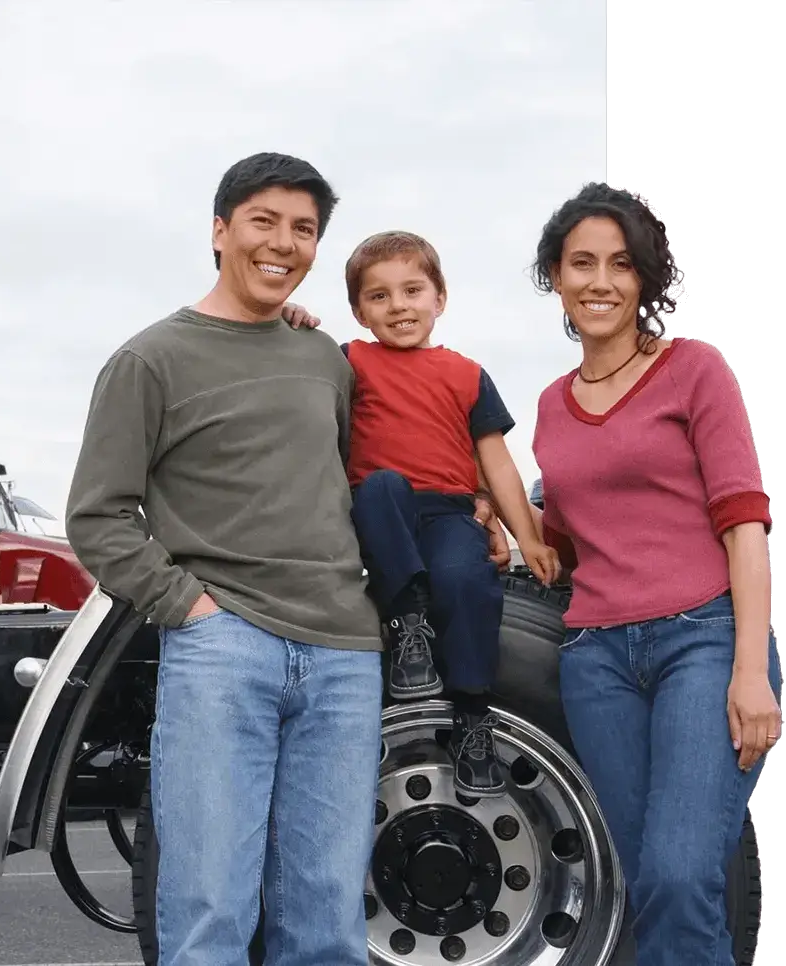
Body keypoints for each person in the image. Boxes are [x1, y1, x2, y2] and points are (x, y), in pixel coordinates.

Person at [66, 152, 381, 966]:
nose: (284, 244)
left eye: (304, 229)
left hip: (345, 655)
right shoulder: (150, 361)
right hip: (223, 649)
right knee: (209, 916)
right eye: (264, 222)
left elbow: (343, 480)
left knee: (328, 924)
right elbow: (98, 517)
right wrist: (191, 611)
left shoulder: (325, 360)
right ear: (219, 230)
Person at [522, 183, 777, 965]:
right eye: (582, 264)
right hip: (596, 660)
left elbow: (743, 522)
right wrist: (490, 518)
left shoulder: (693, 370)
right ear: (556, 278)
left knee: (679, 874)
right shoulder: (552, 405)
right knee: (648, 885)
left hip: (701, 641)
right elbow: (564, 541)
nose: (600, 281)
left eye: (621, 265)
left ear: (646, 281)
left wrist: (751, 671)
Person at [338, 230, 559, 798]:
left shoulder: (466, 375)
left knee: (468, 580)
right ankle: (408, 627)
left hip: (448, 510)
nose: (399, 306)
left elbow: (498, 463)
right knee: (382, 487)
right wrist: (291, 318)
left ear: (440, 298)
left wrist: (527, 537)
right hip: (380, 511)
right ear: (359, 311)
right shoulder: (348, 361)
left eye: (413, 290)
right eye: (379, 296)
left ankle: (471, 716)